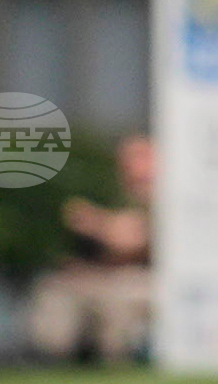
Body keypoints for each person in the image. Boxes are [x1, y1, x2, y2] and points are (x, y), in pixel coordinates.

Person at [25, 136, 157, 365]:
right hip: (100, 275)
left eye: (141, 156)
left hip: (143, 278)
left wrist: (97, 223)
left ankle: (116, 364)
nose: (132, 165)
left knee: (121, 297)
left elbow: (131, 241)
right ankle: (52, 361)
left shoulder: (166, 197)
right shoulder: (113, 193)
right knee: (55, 289)